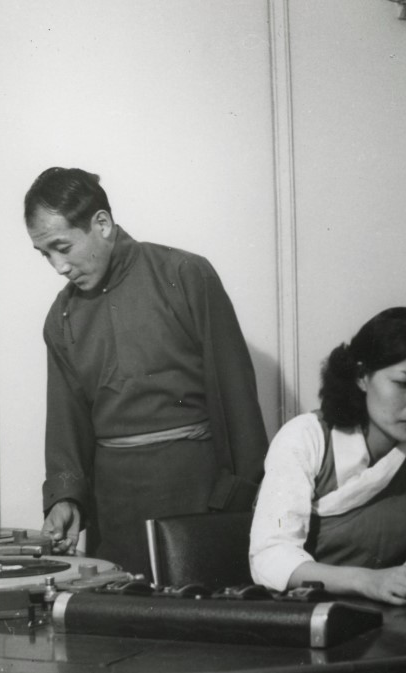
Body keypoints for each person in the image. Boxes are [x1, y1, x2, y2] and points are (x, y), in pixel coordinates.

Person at [25, 166, 268, 577]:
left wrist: (240, 497)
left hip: (198, 497)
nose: (58, 267)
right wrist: (66, 501)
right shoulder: (62, 317)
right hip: (114, 507)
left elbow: (236, 397)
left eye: (62, 247)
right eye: (45, 254)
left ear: (101, 223)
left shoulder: (185, 275)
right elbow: (66, 426)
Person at [249, 306, 406, 605]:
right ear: (362, 376)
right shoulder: (304, 438)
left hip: (380, 621)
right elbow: (270, 557)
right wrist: (366, 580)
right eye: (404, 383)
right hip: (299, 620)